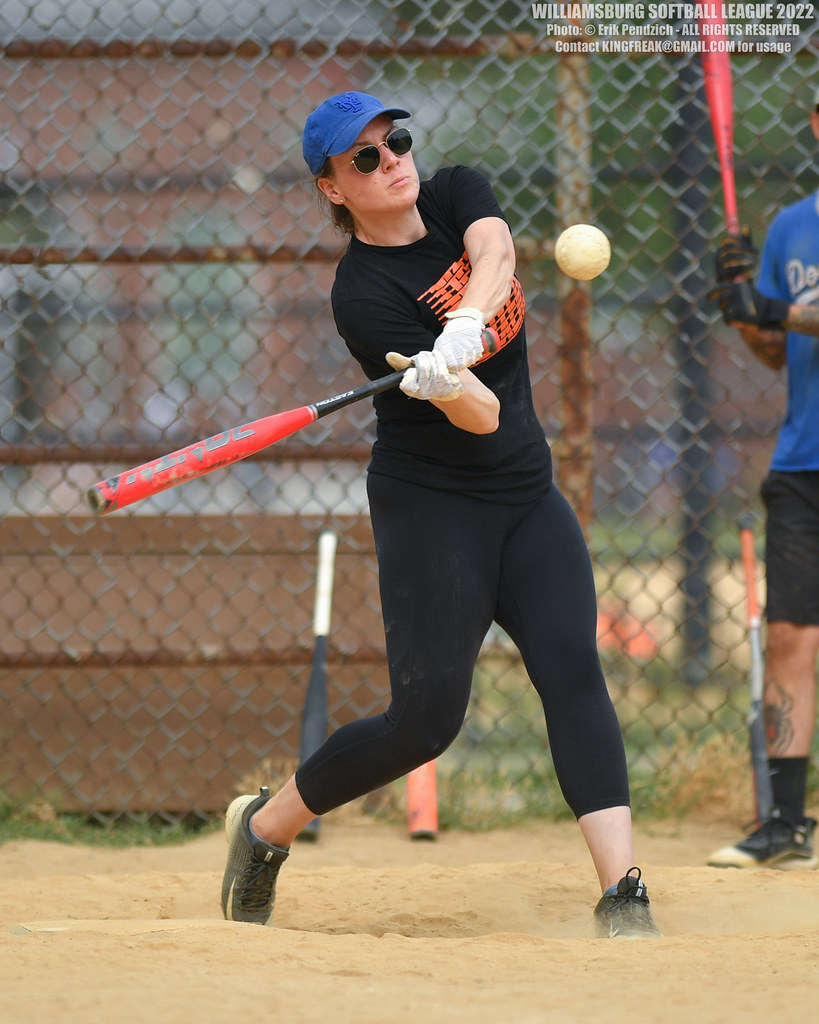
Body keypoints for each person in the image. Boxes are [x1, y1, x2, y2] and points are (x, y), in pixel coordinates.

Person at [221, 90, 661, 937]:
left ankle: (622, 890)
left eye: (395, 141)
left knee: (571, 667)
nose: (392, 161)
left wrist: (460, 328)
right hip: (433, 507)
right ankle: (266, 828)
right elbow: (481, 418)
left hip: (525, 492)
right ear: (332, 188)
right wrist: (447, 383)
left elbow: (494, 249)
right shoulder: (362, 298)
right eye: (365, 158)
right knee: (423, 724)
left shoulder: (455, 190)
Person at [707, 90, 819, 871]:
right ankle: (785, 823)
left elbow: (792, 321)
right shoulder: (790, 227)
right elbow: (774, 353)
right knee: (789, 634)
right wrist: (745, 309)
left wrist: (777, 312)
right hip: (803, 461)